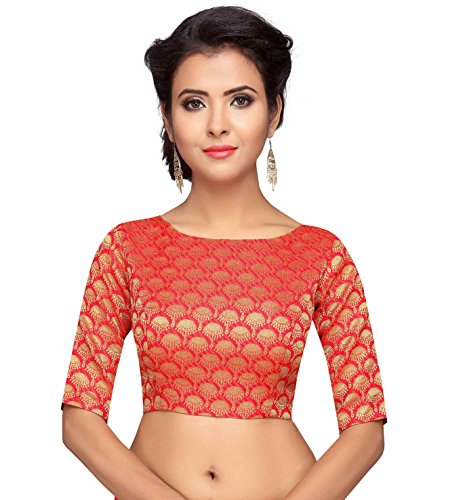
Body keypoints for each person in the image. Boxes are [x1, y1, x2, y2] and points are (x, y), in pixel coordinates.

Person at [60, 5, 388, 499]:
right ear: (167, 118)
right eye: (194, 103)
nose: (217, 125)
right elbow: (79, 417)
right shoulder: (127, 248)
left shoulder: (322, 255)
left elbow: (365, 427)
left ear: (274, 113)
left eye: (240, 100)